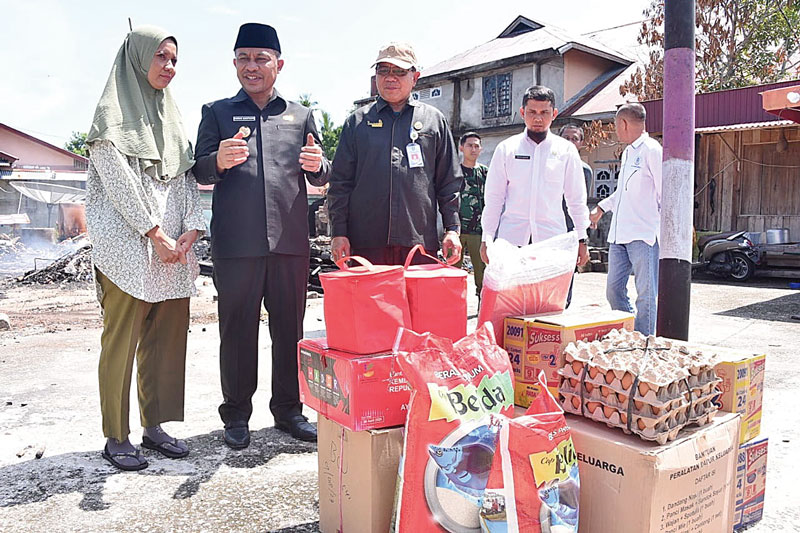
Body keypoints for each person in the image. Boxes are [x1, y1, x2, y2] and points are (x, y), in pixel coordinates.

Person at [194, 23, 331, 448]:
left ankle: (289, 411)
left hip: (289, 243)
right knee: (237, 332)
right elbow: (198, 168)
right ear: (234, 63)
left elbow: (322, 171)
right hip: (236, 245)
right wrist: (218, 160)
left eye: (260, 59)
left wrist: (318, 166)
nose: (251, 67)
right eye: (244, 59)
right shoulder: (216, 112)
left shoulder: (300, 115)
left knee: (290, 331)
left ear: (279, 64)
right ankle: (236, 414)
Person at [85, 26, 205, 471]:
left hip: (172, 253)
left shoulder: (171, 118)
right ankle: (116, 435)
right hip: (129, 252)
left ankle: (155, 426)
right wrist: (155, 233)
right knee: (121, 342)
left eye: (174, 60)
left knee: (165, 341)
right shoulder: (109, 120)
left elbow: (186, 180)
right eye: (160, 57)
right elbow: (120, 185)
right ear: (137, 59)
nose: (169, 67)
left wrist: (192, 229)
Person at [327, 42, 462, 266]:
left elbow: (449, 181)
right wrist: (339, 232)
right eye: (384, 70)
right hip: (367, 244)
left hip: (418, 242)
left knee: (418, 291)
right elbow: (340, 182)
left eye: (399, 71)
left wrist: (452, 229)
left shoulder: (434, 121)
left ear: (415, 77)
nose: (391, 78)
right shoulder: (357, 122)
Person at [480, 86, 590, 270]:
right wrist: (487, 238)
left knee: (550, 290)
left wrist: (582, 238)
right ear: (522, 112)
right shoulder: (507, 149)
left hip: (552, 241)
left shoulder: (566, 151)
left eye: (544, 112)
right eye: (532, 112)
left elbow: (576, 199)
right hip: (511, 242)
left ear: (554, 114)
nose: (538, 118)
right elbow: (494, 199)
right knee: (513, 289)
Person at [589, 103, 662, 335]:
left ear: (623, 123)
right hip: (619, 235)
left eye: (615, 125)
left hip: (643, 234)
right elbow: (622, 192)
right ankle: (630, 332)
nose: (615, 131)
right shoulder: (629, 152)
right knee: (613, 290)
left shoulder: (652, 150)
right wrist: (601, 207)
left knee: (646, 294)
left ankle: (644, 341)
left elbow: (665, 193)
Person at [454, 132, 488, 295]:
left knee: (482, 273)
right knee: (453, 272)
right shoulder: (454, 172)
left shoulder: (484, 172)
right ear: (461, 148)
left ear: (481, 149)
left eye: (476, 146)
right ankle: (453, 304)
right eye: (469, 145)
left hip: (479, 231)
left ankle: (483, 303)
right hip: (456, 230)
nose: (473, 149)